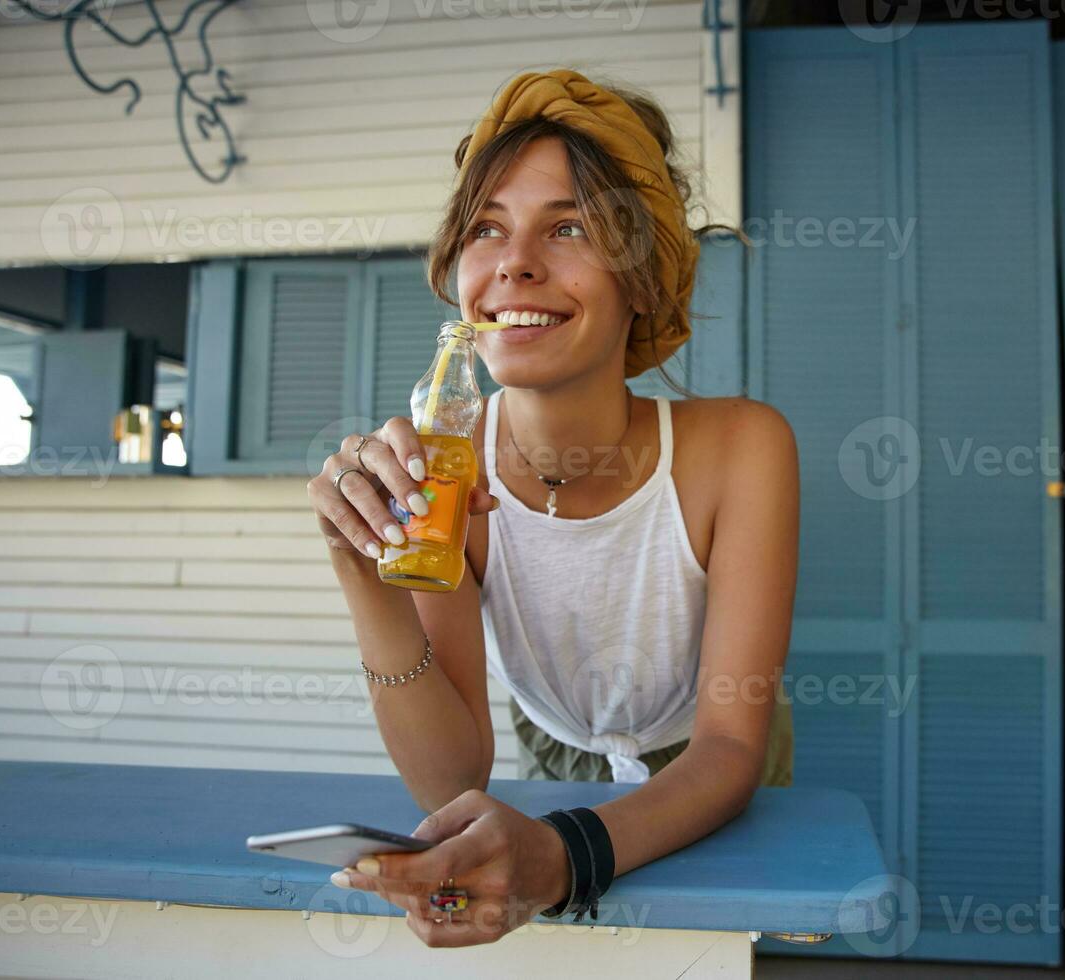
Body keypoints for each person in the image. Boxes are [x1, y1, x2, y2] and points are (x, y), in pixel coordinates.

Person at [305, 68, 799, 947]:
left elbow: (731, 751)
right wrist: (368, 575)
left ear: (643, 278)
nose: (515, 263)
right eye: (486, 228)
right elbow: (453, 778)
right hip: (551, 764)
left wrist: (562, 856)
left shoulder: (744, 449)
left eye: (567, 227)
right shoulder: (445, 469)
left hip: (716, 774)